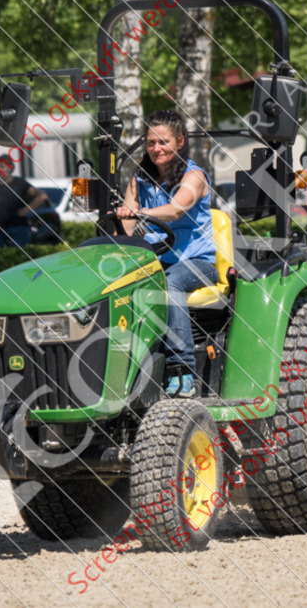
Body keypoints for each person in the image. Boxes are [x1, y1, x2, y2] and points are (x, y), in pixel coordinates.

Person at [116, 110, 217, 398]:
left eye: (164, 142)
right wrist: (124, 219)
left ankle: (181, 368)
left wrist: (138, 211)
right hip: (158, 258)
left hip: (197, 263)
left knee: (168, 282)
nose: (156, 149)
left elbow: (175, 210)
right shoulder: (139, 178)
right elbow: (128, 222)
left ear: (180, 141)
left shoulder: (194, 176)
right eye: (151, 142)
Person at [0, 157, 48, 249]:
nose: (0, 170)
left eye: (3, 167)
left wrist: (26, 210)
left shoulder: (20, 183)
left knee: (18, 256)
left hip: (19, 228)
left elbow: (42, 196)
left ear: (10, 167)